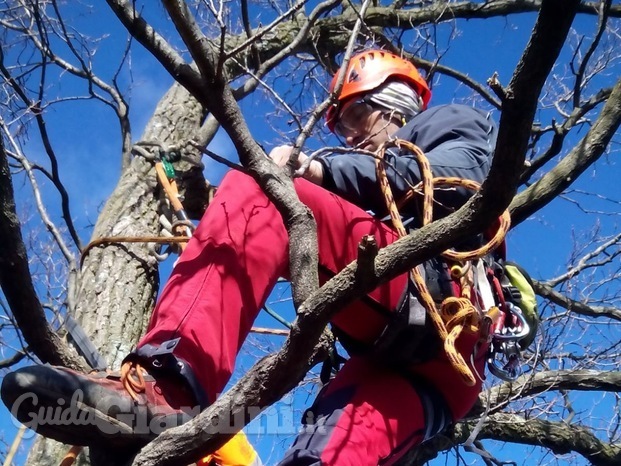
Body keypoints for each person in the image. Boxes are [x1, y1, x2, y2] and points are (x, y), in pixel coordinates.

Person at [1, 49, 498, 465]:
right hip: (415, 374)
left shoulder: (446, 124)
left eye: (355, 118)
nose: (348, 136)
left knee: (261, 193)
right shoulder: (372, 172)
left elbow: (457, 180)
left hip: (447, 305)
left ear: (392, 102)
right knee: (326, 453)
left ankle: (167, 385)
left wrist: (315, 169)